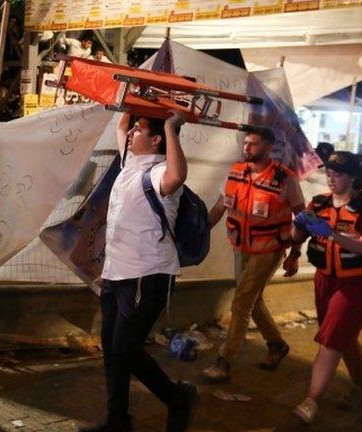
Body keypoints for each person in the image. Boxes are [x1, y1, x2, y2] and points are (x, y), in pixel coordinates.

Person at [80, 111, 195, 432]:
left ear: (157, 139)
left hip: (147, 275)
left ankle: (177, 398)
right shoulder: (130, 165)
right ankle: (117, 420)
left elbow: (178, 174)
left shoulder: (160, 173)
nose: (130, 133)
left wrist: (171, 125)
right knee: (113, 350)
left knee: (126, 348)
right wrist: (134, 92)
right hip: (115, 275)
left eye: (139, 130)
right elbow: (120, 123)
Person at [201, 128, 305, 383]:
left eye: (253, 144)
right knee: (253, 301)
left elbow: (303, 219)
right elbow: (218, 208)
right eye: (245, 143)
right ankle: (277, 345)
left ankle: (225, 360)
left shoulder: (285, 179)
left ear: (268, 147)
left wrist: (294, 254)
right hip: (241, 247)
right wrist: (198, 231)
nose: (247, 147)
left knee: (241, 303)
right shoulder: (236, 172)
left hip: (269, 249)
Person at [290, 151, 362, 424]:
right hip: (326, 279)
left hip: (358, 283)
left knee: (331, 340)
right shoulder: (318, 203)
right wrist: (298, 230)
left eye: (338, 174)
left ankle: (311, 401)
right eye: (328, 174)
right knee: (343, 337)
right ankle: (360, 387)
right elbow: (298, 236)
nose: (330, 179)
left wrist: (332, 234)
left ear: (354, 177)